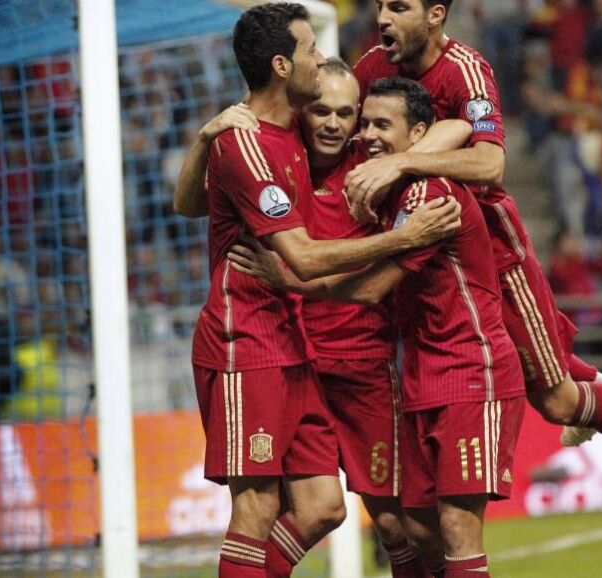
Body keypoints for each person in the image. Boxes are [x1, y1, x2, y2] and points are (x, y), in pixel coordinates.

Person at [344, 0, 602, 509]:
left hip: (491, 252)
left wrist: (402, 163)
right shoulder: (371, 69)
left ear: (435, 14)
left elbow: (490, 162)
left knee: (557, 400)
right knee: (543, 378)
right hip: (434, 251)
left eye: (399, 7)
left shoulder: (465, 69)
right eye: (381, 6)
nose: (383, 18)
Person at [186, 5, 460, 577]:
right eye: (310, 49)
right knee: (257, 507)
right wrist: (404, 238)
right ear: (284, 67)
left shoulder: (319, 144)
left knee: (326, 508)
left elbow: (446, 129)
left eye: (346, 113)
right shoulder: (251, 143)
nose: (321, 56)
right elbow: (302, 257)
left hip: (307, 352)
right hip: (248, 343)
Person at [229, 77, 526, 578]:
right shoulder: (289, 158)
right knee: (364, 516)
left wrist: (402, 162)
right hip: (313, 363)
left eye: (364, 119)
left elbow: (461, 128)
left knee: (421, 524)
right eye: (358, 121)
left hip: (438, 369)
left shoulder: (413, 190)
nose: (357, 131)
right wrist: (219, 129)